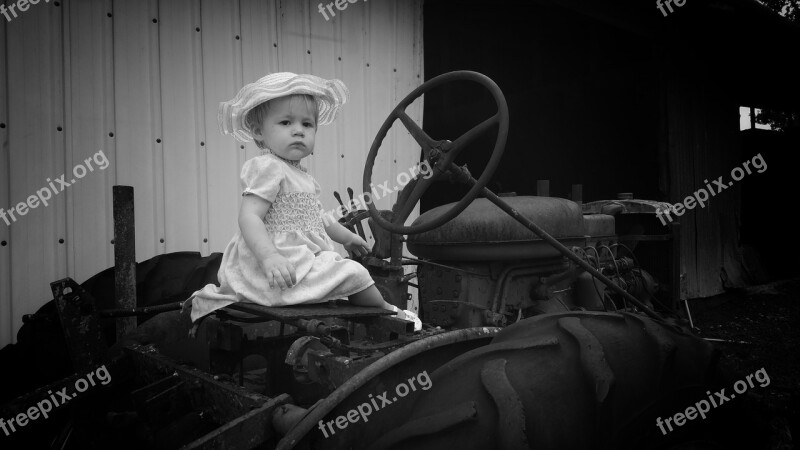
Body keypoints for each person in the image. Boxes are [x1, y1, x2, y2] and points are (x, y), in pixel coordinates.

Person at [185, 72, 420, 331]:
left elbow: (318, 217)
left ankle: (381, 313)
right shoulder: (268, 167)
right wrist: (269, 258)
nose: (298, 131)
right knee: (355, 273)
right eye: (285, 122)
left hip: (301, 257)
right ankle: (387, 312)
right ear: (258, 132)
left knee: (349, 270)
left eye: (307, 125)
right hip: (277, 265)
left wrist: (347, 238)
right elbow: (249, 217)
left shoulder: (304, 177)